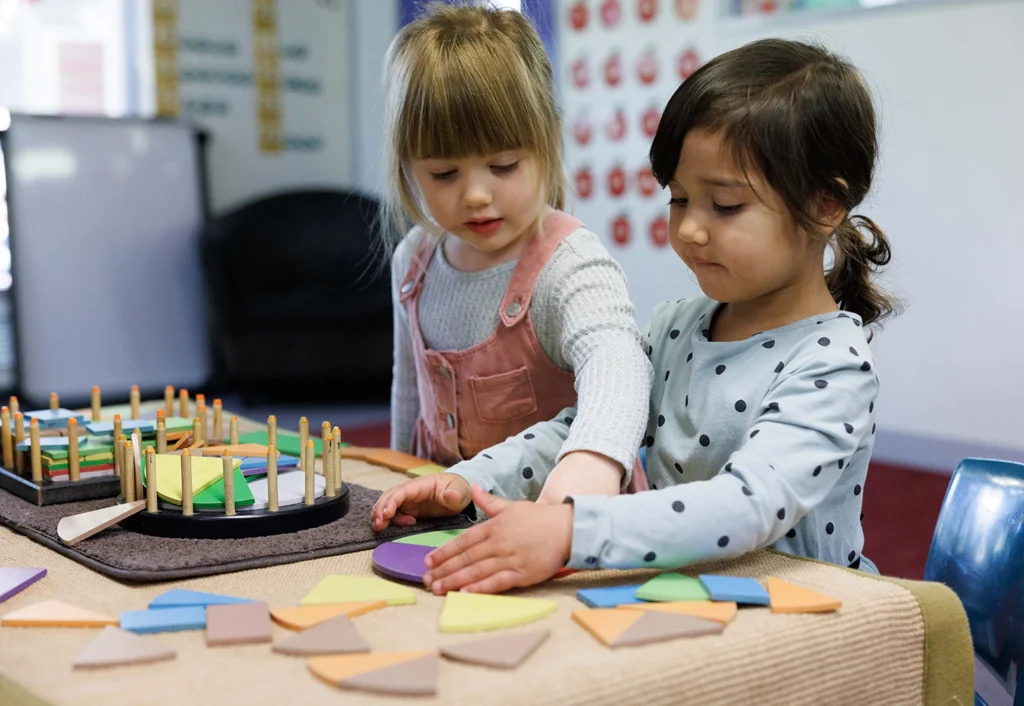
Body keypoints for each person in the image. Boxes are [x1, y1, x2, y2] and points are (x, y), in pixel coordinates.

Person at [380, 37, 900, 594]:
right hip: (693, 599)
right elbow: (574, 430)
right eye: (679, 200)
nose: (691, 229)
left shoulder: (833, 365)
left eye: (725, 206)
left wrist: (571, 531)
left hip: (812, 617)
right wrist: (467, 481)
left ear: (825, 206)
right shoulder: (677, 327)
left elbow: (747, 505)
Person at [375, 3, 652, 521]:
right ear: (408, 166)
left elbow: (619, 361)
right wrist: (399, 480)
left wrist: (593, 460)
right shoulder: (413, 259)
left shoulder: (569, 263)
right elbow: (409, 388)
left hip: (564, 522)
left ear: (546, 143)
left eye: (503, 166)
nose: (476, 194)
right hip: (449, 519)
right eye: (444, 174)